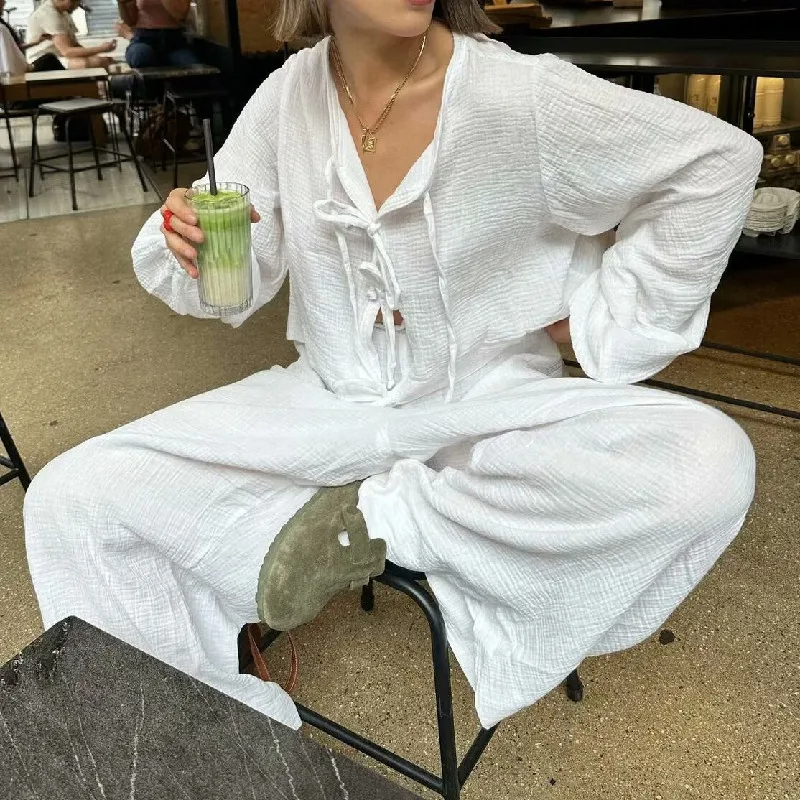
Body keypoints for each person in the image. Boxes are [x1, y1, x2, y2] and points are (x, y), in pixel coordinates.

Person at [24, 0, 763, 732]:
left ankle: (375, 518)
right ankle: (197, 734)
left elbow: (715, 163)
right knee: (73, 498)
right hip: (326, 403)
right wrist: (189, 235)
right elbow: (238, 279)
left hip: (485, 408)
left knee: (707, 463)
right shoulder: (287, 97)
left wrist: (609, 312)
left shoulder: (520, 94)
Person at [25, 0, 116, 70]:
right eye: (77, 2)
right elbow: (67, 52)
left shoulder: (64, 13)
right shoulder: (48, 14)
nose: (77, 7)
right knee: (91, 63)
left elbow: (74, 45)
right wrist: (101, 49)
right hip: (43, 60)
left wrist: (96, 55)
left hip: (60, 57)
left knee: (104, 61)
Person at [118, 0, 198, 68]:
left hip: (174, 41)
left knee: (189, 64)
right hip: (144, 38)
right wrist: (122, 4)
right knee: (141, 55)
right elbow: (130, 21)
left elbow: (181, 15)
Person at [0, 0, 55, 74]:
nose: (4, 2)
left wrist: (36, 42)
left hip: (19, 67)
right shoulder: (2, 29)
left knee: (49, 59)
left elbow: (16, 47)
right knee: (49, 60)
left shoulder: (3, 25)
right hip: (19, 71)